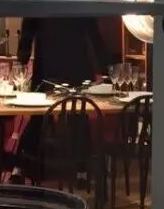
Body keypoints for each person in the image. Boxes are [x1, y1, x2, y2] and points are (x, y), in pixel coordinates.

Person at [9, 17, 109, 183]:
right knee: (75, 118)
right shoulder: (76, 2)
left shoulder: (40, 2)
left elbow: (28, 30)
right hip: (72, 66)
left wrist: (21, 61)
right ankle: (81, 170)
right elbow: (93, 32)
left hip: (53, 66)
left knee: (42, 119)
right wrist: (106, 69)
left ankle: (20, 168)